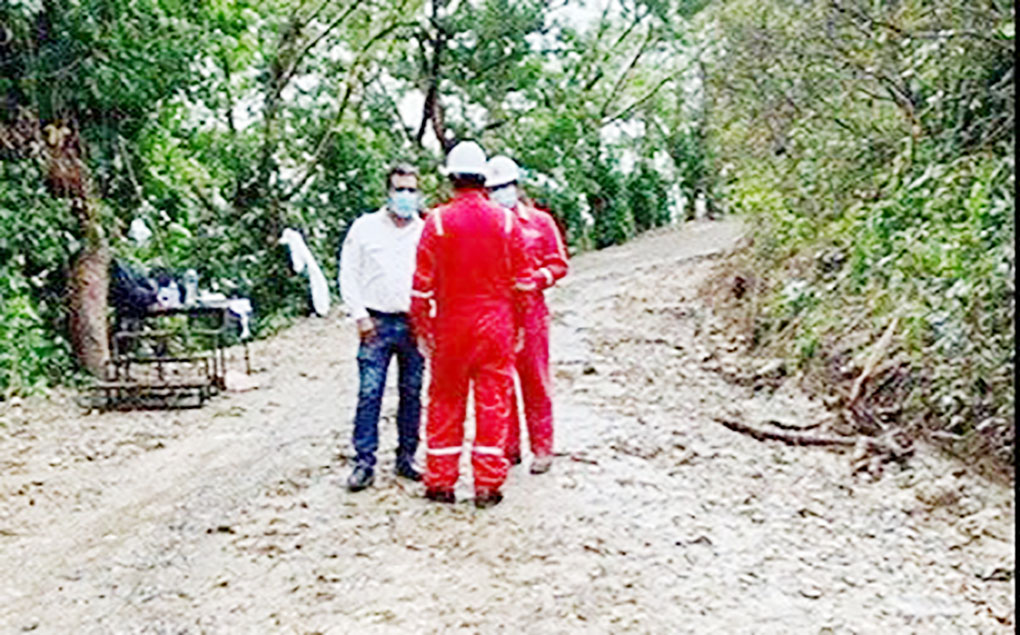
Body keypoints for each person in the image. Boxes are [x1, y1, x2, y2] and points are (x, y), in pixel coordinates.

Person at [410, 141, 534, 508]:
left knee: (445, 401)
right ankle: (487, 485)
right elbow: (523, 283)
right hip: (496, 325)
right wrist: (519, 325)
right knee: (493, 402)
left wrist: (423, 329)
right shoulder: (506, 221)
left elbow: (420, 289)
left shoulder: (437, 222)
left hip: (451, 327)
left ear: (451, 179)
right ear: (484, 180)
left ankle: (440, 482)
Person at [338, 163, 426, 491]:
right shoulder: (365, 228)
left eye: (411, 190)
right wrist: (359, 315)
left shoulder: (425, 230)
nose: (406, 196)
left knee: (412, 392)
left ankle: (407, 457)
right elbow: (349, 272)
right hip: (375, 322)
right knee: (370, 392)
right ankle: (364, 462)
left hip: (413, 322)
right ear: (388, 192)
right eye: (400, 189)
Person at [485, 155, 568, 474]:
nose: (500, 193)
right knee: (500, 380)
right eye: (494, 188)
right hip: (499, 310)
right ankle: (509, 447)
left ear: (517, 186)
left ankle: (542, 447)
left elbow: (558, 263)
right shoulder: (487, 225)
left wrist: (538, 278)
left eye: (505, 186)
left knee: (535, 378)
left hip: (531, 310)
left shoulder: (540, 222)